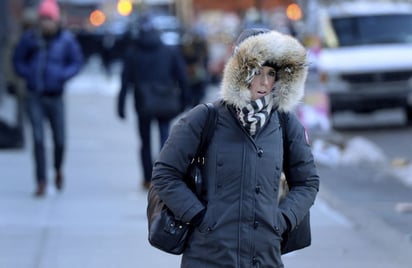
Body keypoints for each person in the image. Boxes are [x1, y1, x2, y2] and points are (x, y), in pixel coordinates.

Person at [151, 28, 320, 267]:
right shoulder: (204, 118)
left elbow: (307, 182)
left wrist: (282, 219)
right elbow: (165, 173)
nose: (263, 82)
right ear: (240, 72)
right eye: (256, 71)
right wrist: (199, 216)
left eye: (271, 73)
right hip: (209, 255)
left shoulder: (285, 123)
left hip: (264, 257)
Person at [12, 0, 83, 197]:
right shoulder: (30, 39)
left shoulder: (66, 40)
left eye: (49, 19)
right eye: (43, 19)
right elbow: (17, 60)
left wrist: (62, 75)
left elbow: (76, 62)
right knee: (38, 139)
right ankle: (41, 180)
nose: (46, 24)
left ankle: (58, 169)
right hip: (35, 95)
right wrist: (28, 74)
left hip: (55, 95)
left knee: (59, 139)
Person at [117, 14, 190, 190]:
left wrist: (120, 105)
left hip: (143, 103)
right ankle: (164, 174)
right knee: (165, 139)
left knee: (145, 142)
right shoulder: (168, 51)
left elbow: (125, 80)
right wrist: (185, 99)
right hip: (165, 101)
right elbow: (182, 76)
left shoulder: (133, 52)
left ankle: (147, 178)